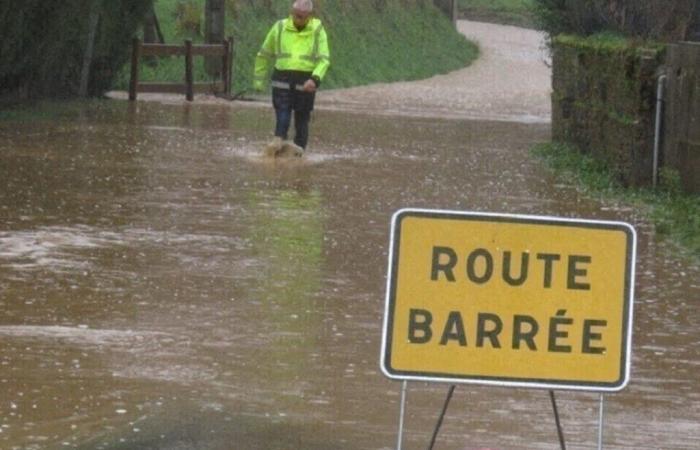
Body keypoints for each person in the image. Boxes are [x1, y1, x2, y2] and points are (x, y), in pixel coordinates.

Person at [253, 0, 330, 153]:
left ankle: (299, 154)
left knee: (302, 119)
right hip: (282, 78)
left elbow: (324, 59)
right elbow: (263, 54)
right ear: (291, 11)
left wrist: (315, 79)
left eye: (302, 17)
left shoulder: (317, 30)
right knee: (282, 113)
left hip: (306, 81)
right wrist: (258, 81)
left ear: (309, 16)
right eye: (295, 15)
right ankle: (277, 144)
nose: (297, 19)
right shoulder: (280, 27)